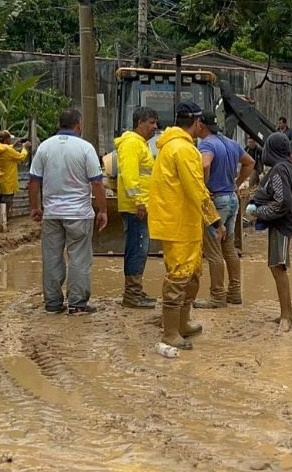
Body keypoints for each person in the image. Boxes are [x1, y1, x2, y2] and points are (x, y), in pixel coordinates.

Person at [148, 102, 225, 350]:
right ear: (197, 122)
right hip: (180, 224)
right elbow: (196, 188)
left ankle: (181, 323)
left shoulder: (170, 147)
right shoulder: (184, 150)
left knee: (190, 274)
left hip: (179, 222)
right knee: (179, 277)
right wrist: (215, 219)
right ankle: (170, 332)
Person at [28, 109, 108, 314]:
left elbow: (34, 182)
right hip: (79, 214)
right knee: (79, 258)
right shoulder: (85, 148)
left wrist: (35, 208)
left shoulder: (44, 148)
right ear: (78, 125)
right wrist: (102, 210)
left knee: (51, 257)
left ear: (58, 124)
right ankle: (77, 304)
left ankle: (53, 304)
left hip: (52, 214)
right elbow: (97, 183)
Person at [195, 113, 255, 308]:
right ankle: (235, 292)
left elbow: (205, 163)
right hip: (232, 199)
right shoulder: (231, 143)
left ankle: (217, 296)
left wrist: (203, 188)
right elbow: (250, 163)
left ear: (201, 125)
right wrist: (236, 183)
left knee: (213, 251)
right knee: (229, 248)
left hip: (217, 201)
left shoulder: (206, 144)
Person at [246, 132, 292, 332]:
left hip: (282, 223)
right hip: (286, 222)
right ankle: (287, 312)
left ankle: (287, 316)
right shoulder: (289, 167)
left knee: (278, 267)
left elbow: (282, 201)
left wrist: (259, 212)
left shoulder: (279, 170)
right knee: (276, 267)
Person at [115, 107, 159, 309]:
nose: (155, 127)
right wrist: (139, 201)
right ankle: (131, 294)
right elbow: (129, 175)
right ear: (140, 122)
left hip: (140, 206)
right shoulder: (132, 143)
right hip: (136, 208)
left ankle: (136, 290)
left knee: (140, 249)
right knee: (137, 249)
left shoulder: (140, 144)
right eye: (151, 122)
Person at [0, 130, 30, 230]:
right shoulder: (7, 150)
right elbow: (20, 157)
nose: (10, 140)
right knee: (8, 201)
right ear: (5, 139)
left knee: (2, 200)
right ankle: (4, 223)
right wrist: (24, 148)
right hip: (8, 179)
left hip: (1, 177)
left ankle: (2, 221)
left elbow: (6, 149)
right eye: (9, 138)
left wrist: (14, 144)